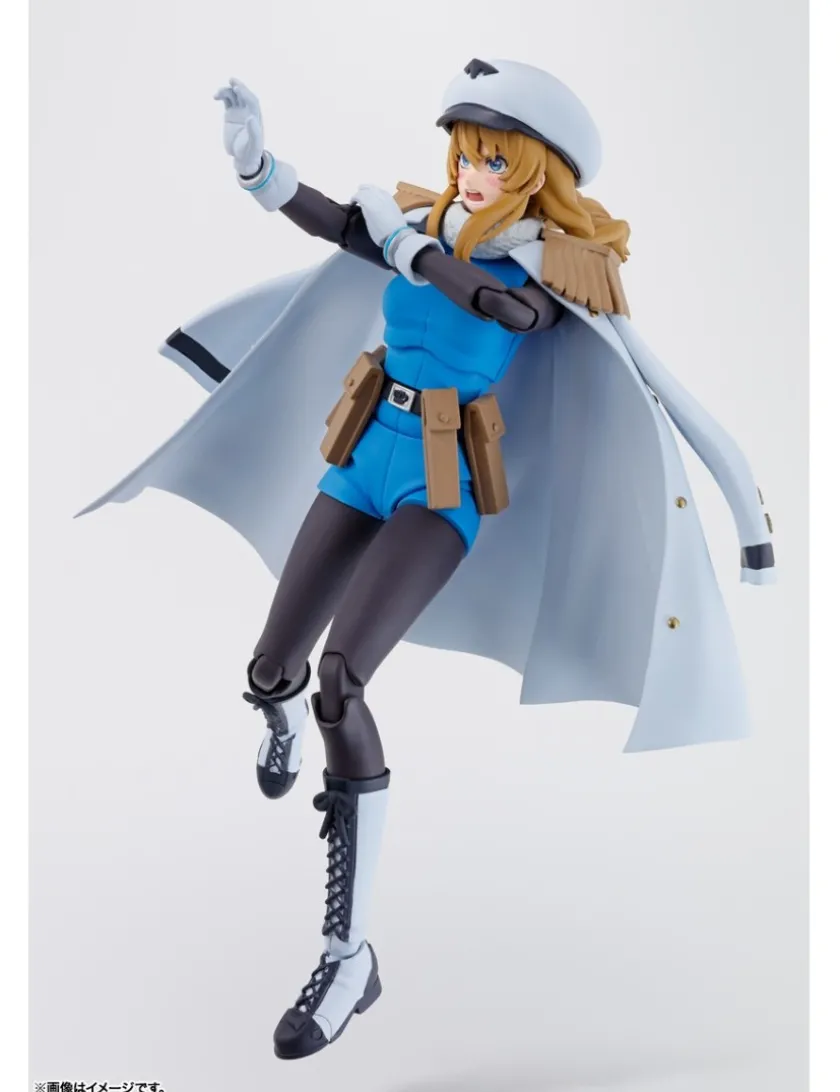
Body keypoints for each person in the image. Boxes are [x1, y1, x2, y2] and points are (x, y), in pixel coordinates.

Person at [80, 58, 775, 1060]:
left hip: (442, 487)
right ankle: (275, 708)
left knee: (340, 682)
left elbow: (505, 313)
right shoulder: (430, 221)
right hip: (362, 453)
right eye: (463, 156)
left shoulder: (545, 267)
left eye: (492, 160)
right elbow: (331, 221)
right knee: (272, 669)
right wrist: (259, 169)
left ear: (533, 172)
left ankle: (348, 957)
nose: (470, 174)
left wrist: (409, 246)